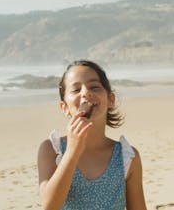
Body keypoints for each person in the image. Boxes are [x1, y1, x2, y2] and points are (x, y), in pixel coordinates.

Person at [37, 60, 147, 210]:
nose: (86, 93)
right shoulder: (52, 150)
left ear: (111, 99)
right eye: (76, 90)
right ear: (64, 107)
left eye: (94, 87)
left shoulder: (127, 157)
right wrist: (72, 152)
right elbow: (48, 207)